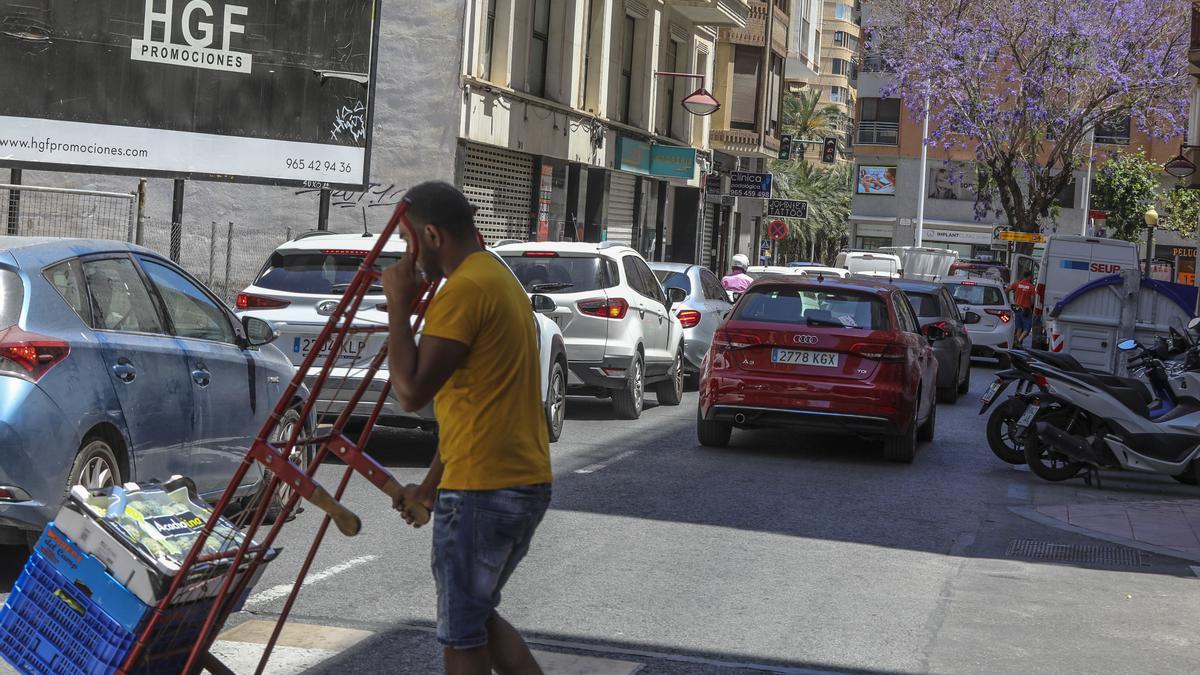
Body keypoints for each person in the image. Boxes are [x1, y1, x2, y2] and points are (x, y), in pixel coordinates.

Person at [382, 182, 552, 675]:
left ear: (430, 235)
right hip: (516, 478)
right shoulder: (495, 276)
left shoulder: (464, 291)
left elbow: (411, 394)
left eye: (408, 244)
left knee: (462, 638)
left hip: (484, 489)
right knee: (477, 618)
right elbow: (476, 409)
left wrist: (397, 303)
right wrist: (431, 488)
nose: (406, 259)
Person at [1009, 270, 1037, 346]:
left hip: (1017, 308)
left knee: (1019, 328)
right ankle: (1019, 341)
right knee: (1027, 329)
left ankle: (1018, 345)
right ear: (1029, 277)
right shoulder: (1031, 287)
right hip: (1025, 310)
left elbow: (1007, 289)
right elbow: (1032, 301)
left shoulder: (1017, 284)